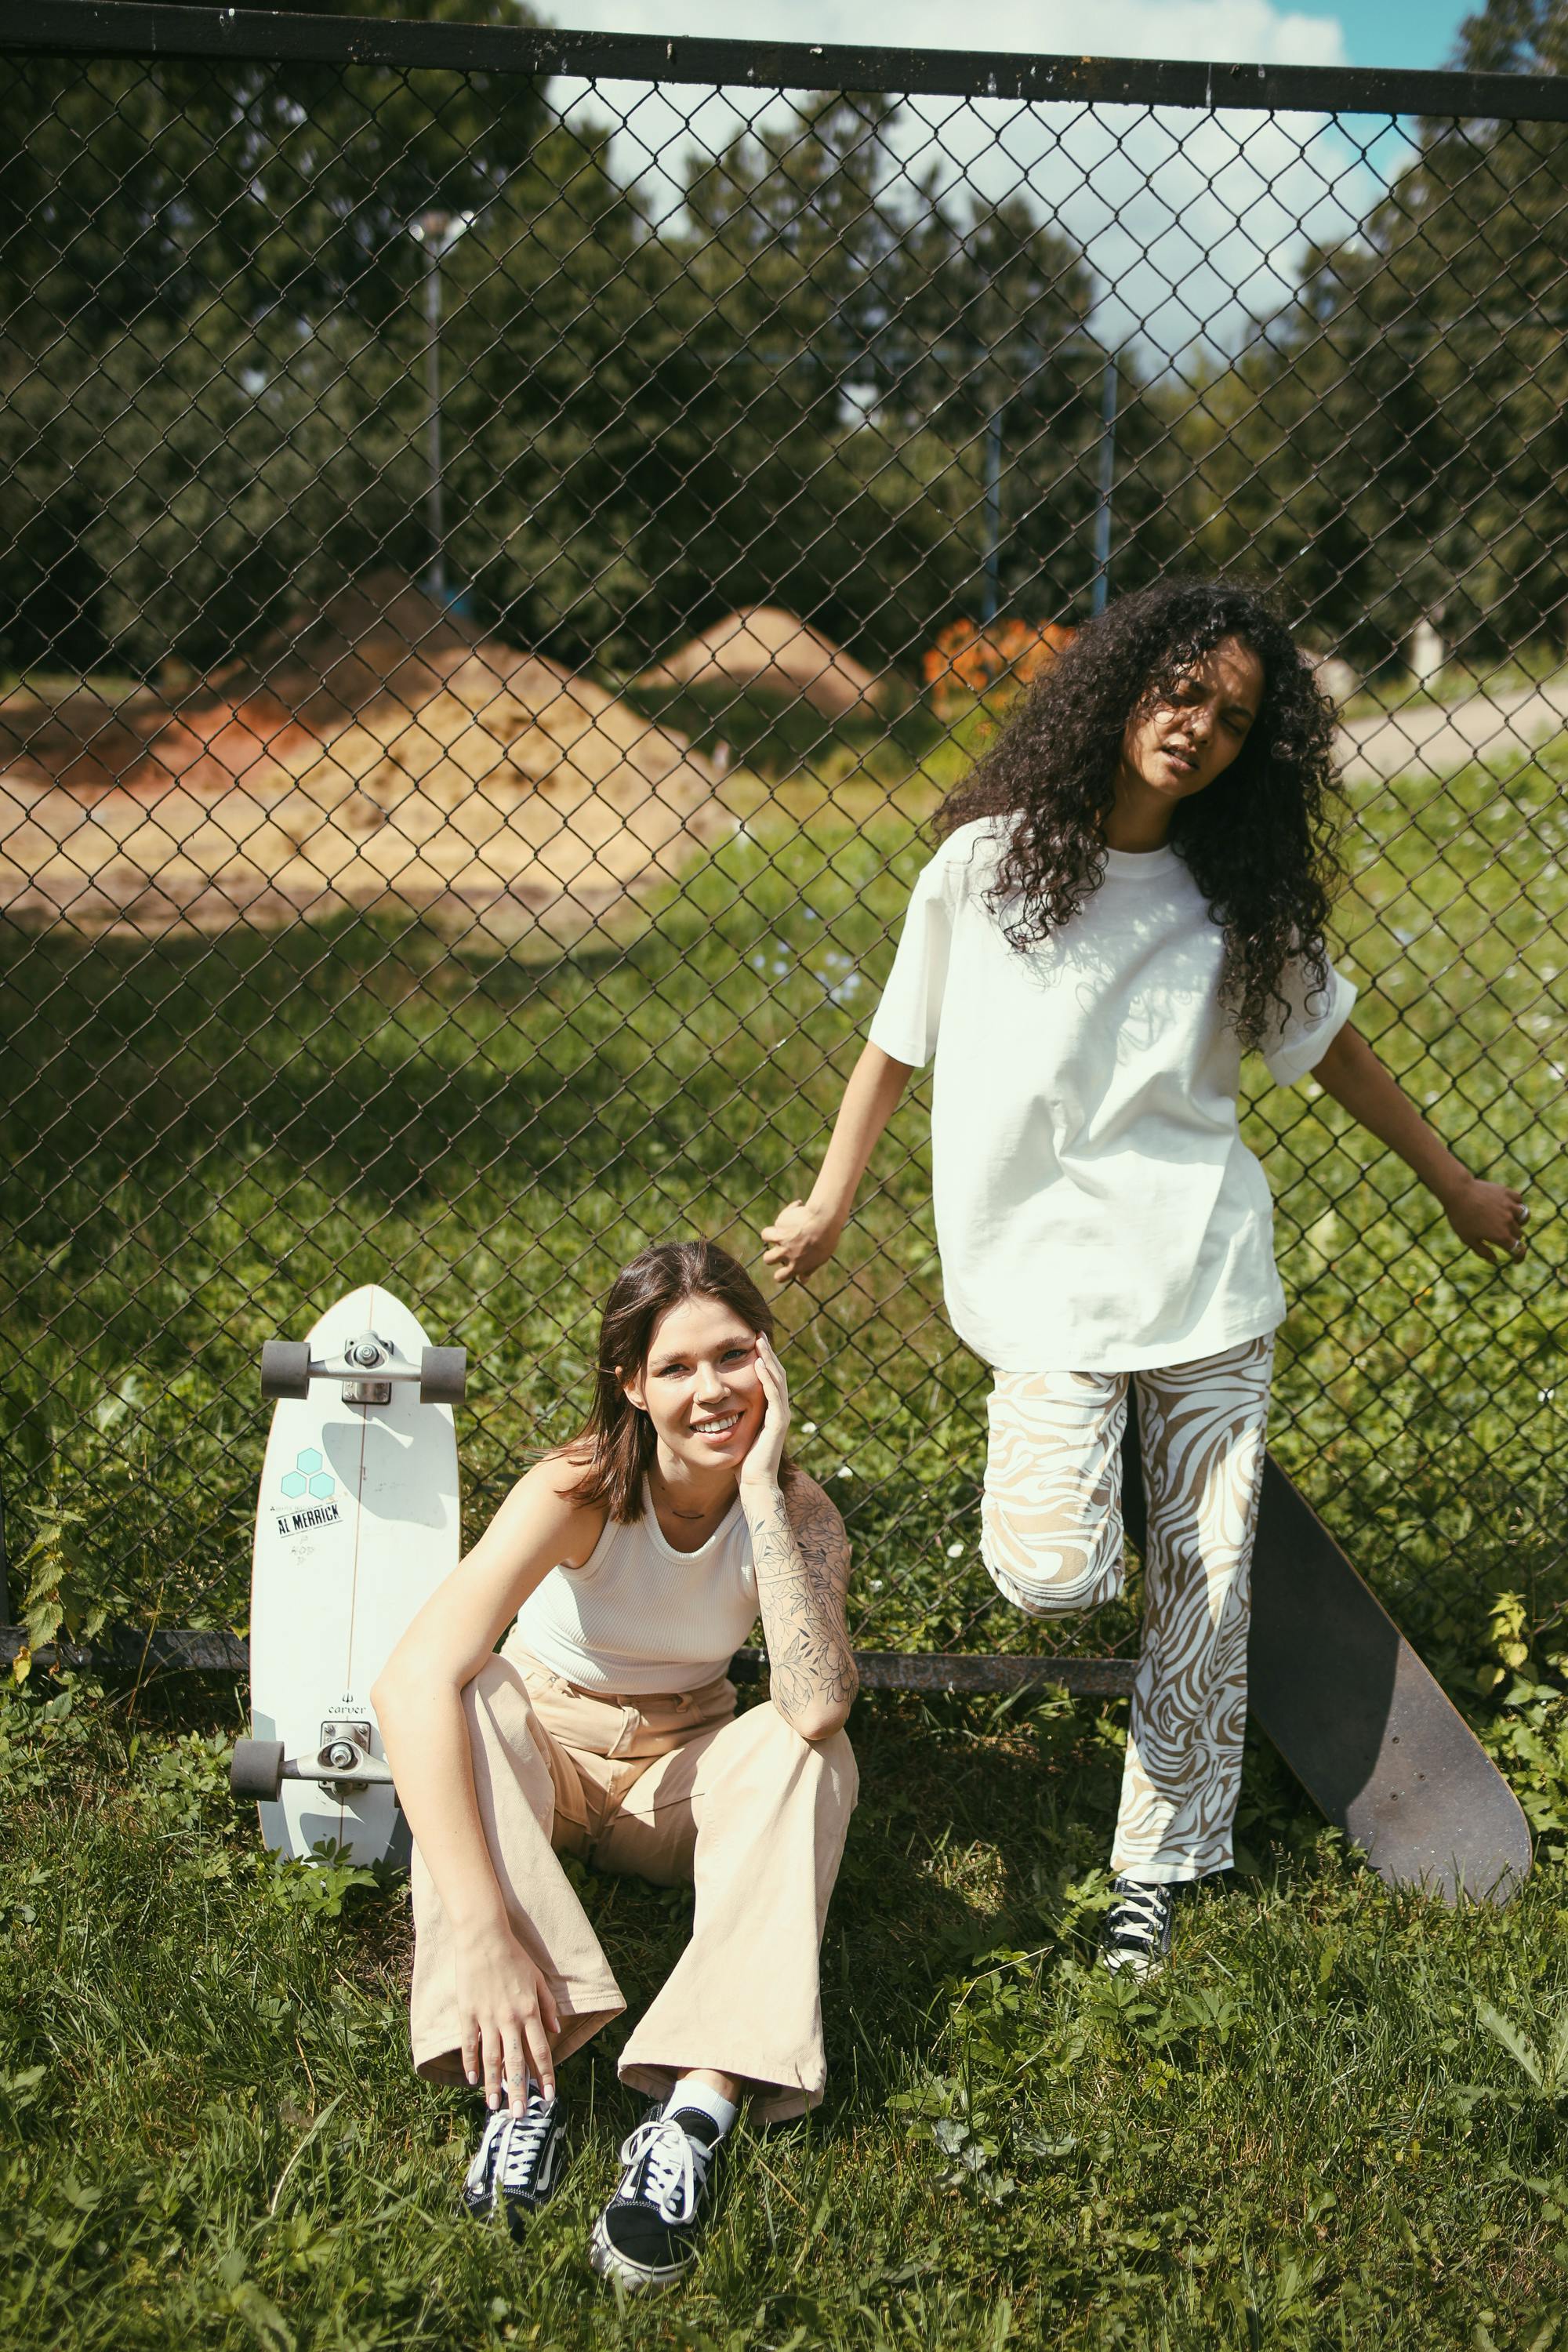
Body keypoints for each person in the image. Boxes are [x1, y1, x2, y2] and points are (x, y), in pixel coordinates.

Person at [761, 576, 1526, 1980]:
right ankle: (1107, 1461)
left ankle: (1154, 1869)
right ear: (1119, 687)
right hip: (1047, 1284)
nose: (1198, 729)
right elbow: (894, 1042)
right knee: (1049, 1574)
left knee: (1209, 1592)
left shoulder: (1232, 899)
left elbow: (1336, 1053)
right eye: (1181, 692)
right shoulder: (981, 868)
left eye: (1234, 720)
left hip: (1206, 1276)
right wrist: (828, 1199)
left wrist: (1456, 1184)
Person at [373, 1240, 858, 2292]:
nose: (712, 1390)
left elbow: (816, 1699)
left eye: (733, 1355)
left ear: (768, 1362)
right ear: (631, 1386)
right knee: (471, 1692)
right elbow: (407, 1683)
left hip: (678, 1774)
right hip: (548, 1752)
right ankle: (522, 2083)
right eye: (676, 1368)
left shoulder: (801, 1512)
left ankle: (697, 2107)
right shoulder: (578, 1486)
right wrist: (483, 1928)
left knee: (813, 1750)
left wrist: (765, 1490)